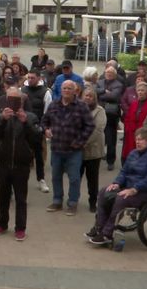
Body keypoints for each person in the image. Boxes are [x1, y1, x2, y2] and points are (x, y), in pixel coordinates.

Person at [86, 127, 147, 245]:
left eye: (141, 140)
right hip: (130, 186)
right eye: (137, 139)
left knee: (121, 199)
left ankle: (107, 233)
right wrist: (116, 183)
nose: (137, 142)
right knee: (104, 192)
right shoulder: (134, 153)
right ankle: (99, 227)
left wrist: (135, 189)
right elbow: (124, 172)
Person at [0, 88, 41, 241]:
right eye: (10, 99)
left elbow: (36, 139)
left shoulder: (31, 117)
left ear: (22, 101)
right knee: (3, 197)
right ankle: (2, 223)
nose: (13, 102)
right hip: (4, 163)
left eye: (16, 99)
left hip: (21, 164)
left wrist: (25, 122)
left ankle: (20, 228)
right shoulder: (0, 116)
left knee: (20, 198)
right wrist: (4, 120)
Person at [42, 80, 95, 216]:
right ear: (60, 90)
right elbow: (44, 121)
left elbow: (90, 125)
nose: (66, 90)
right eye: (64, 88)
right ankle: (57, 201)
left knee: (74, 178)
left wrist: (80, 142)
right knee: (55, 177)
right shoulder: (54, 105)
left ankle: (72, 203)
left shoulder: (82, 106)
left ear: (75, 91)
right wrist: (46, 129)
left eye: (69, 88)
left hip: (74, 150)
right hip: (56, 148)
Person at [21, 69, 52, 193]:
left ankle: (41, 180)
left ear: (39, 78)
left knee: (39, 155)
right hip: (23, 128)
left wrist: (43, 128)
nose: (30, 79)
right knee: (22, 156)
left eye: (32, 77)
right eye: (29, 77)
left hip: (36, 128)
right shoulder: (21, 90)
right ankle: (21, 181)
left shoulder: (46, 92)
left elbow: (47, 112)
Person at [80, 88, 106, 213]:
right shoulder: (77, 109)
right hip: (78, 150)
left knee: (92, 179)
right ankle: (73, 199)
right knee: (75, 177)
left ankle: (92, 202)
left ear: (94, 98)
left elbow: (98, 129)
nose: (88, 98)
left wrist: (84, 142)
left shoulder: (100, 111)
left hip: (94, 150)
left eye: (90, 96)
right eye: (86, 95)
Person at [96, 66, 124, 171]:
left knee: (111, 138)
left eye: (111, 72)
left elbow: (113, 96)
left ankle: (110, 160)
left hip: (111, 115)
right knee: (97, 136)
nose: (109, 74)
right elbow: (94, 91)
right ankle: (98, 156)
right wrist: (104, 90)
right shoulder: (100, 82)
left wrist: (101, 94)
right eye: (107, 72)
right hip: (99, 112)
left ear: (115, 74)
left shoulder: (119, 84)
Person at [122, 82, 147, 163]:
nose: (140, 92)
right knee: (130, 154)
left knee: (143, 155)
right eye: (138, 90)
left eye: (142, 90)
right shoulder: (134, 103)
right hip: (131, 133)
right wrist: (127, 128)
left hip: (144, 133)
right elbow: (128, 117)